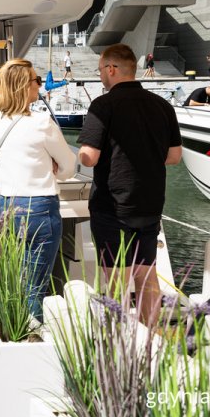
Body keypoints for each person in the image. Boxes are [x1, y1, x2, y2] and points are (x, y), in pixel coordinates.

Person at [77, 43, 182, 326]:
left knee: (115, 281)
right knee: (146, 276)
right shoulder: (162, 105)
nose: (100, 75)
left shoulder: (104, 105)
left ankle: (118, 345)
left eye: (100, 70)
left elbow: (89, 158)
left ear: (111, 69)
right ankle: (150, 339)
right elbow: (174, 157)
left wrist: (76, 153)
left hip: (113, 206)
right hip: (150, 204)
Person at [0, 59, 75, 321]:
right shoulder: (41, 122)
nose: (39, 84)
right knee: (33, 288)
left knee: (3, 281)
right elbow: (69, 166)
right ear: (24, 86)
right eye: (35, 80)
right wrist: (55, 167)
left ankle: (3, 335)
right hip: (36, 208)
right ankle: (27, 344)